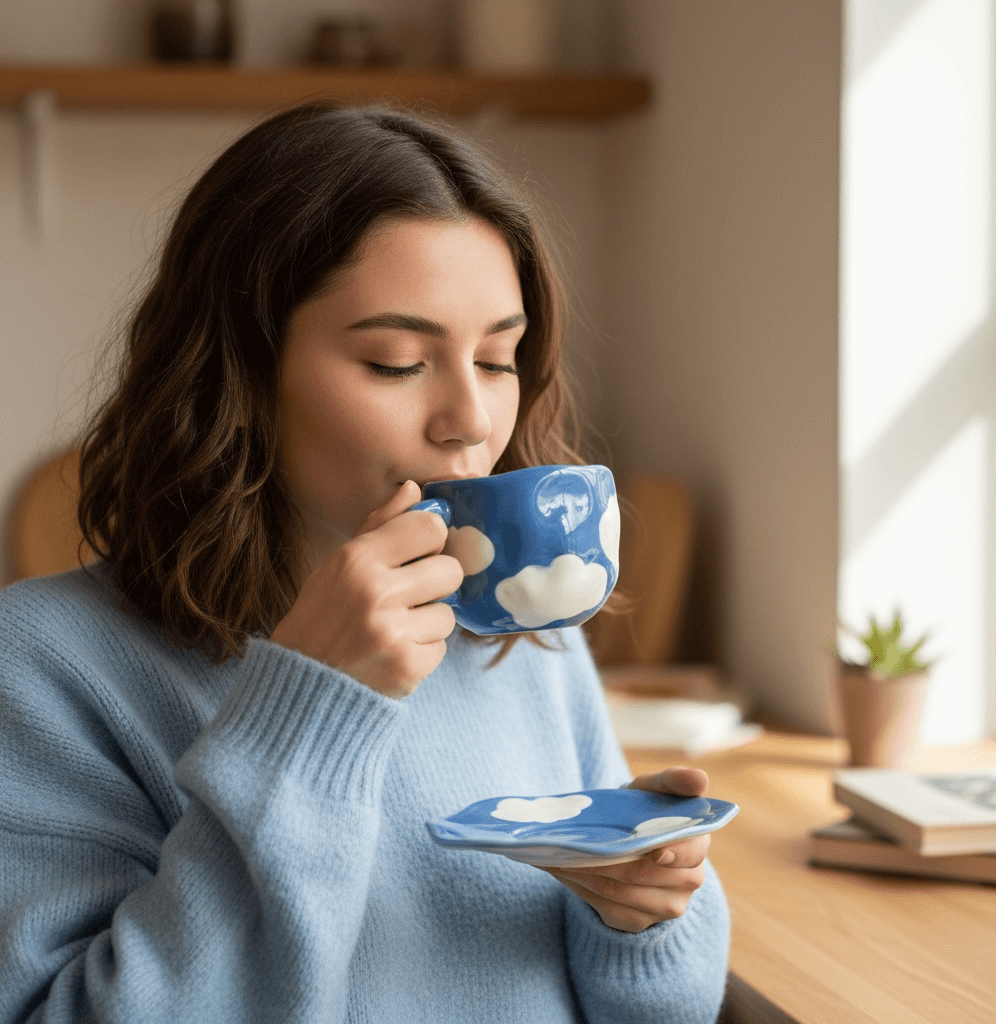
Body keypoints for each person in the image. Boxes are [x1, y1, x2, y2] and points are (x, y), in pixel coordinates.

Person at [0, 103, 729, 1023]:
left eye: (500, 358)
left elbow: (666, 1011)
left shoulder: (523, 637)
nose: (470, 417)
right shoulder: (43, 663)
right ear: (240, 373)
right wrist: (310, 708)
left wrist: (640, 921)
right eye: (395, 362)